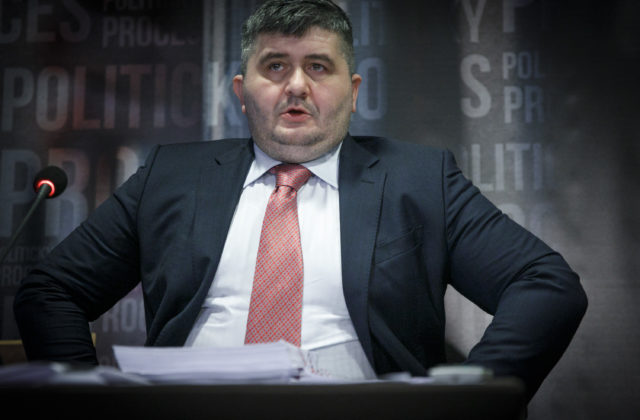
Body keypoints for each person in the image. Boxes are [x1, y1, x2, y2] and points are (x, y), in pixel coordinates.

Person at [14, 0, 586, 401]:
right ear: (242, 92)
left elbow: (546, 285)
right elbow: (52, 290)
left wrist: (468, 401)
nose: (296, 85)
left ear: (353, 92)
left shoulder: (418, 179)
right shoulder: (172, 176)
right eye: (275, 66)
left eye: (318, 66)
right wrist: (88, 406)